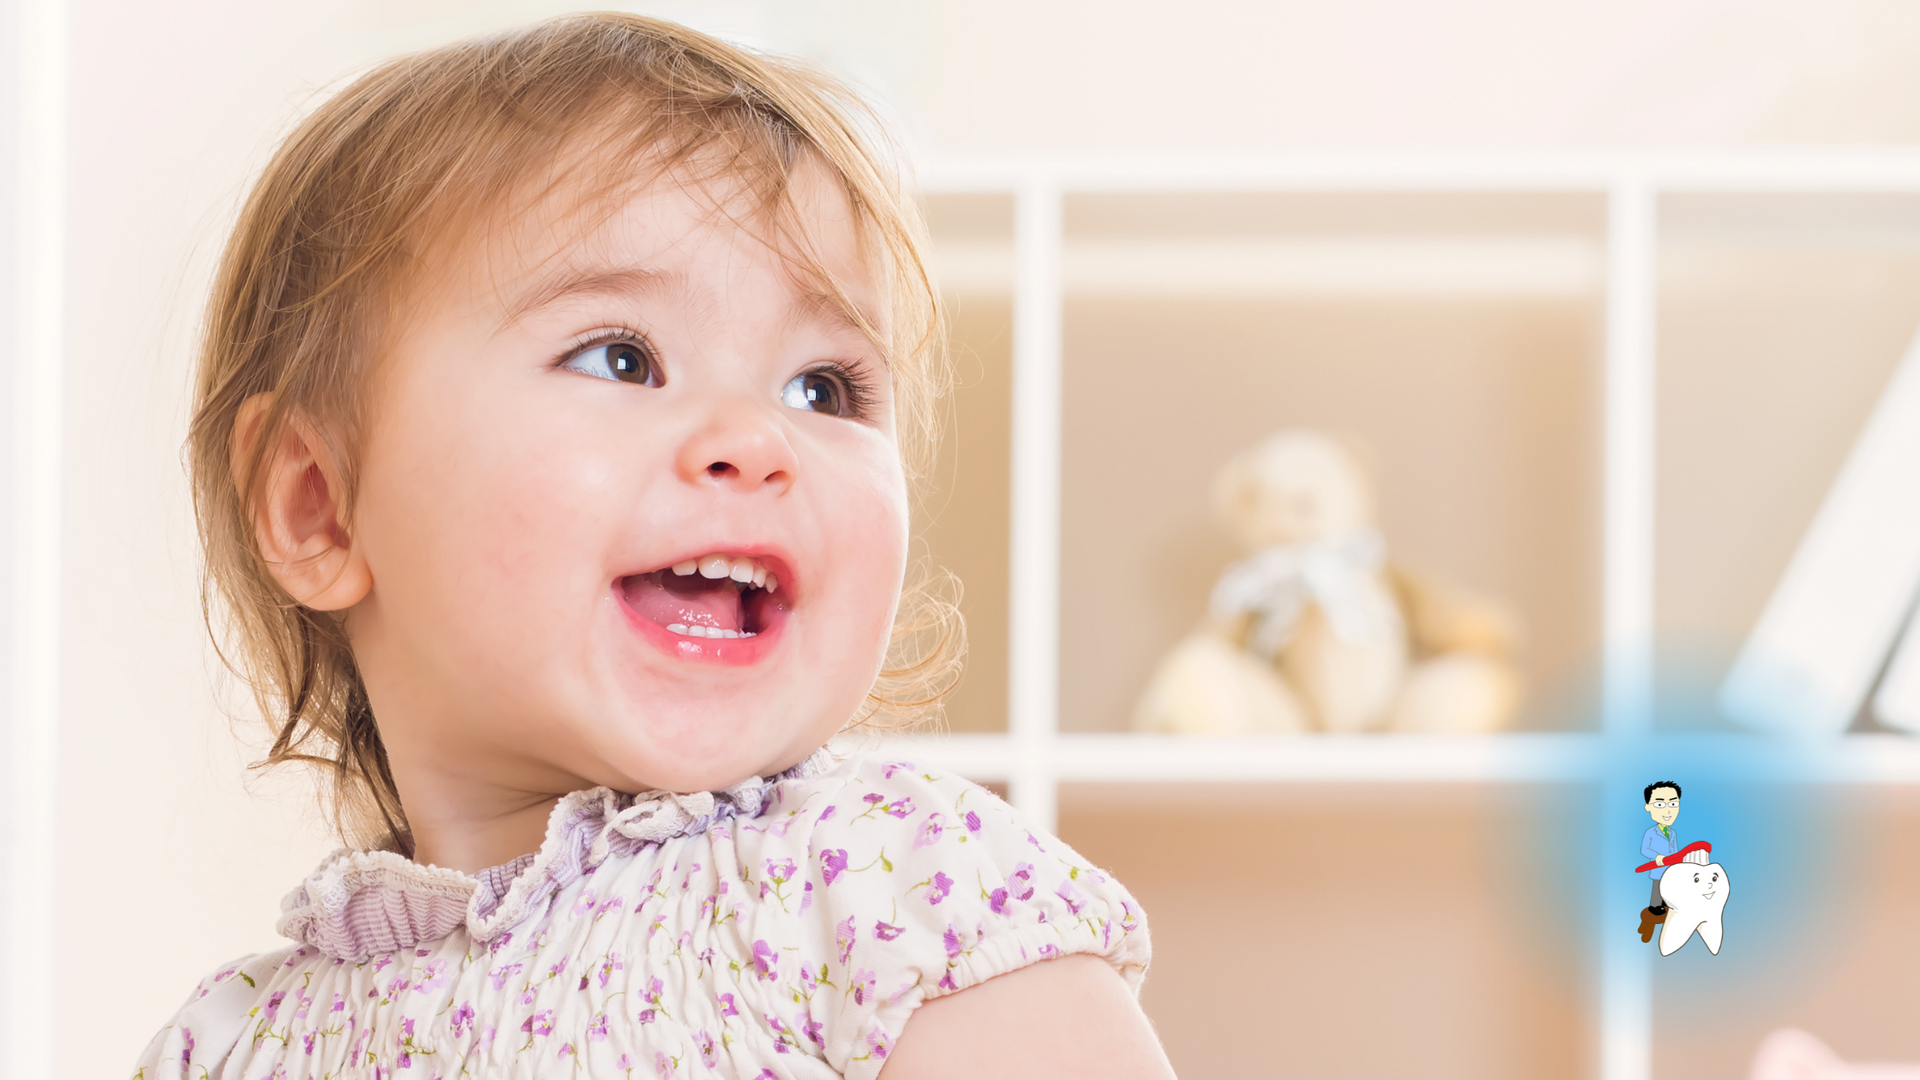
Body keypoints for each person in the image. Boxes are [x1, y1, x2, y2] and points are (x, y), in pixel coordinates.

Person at [132, 15, 1169, 1078]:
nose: (757, 441)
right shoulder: (234, 1047)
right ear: (321, 507)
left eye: (824, 387)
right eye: (622, 360)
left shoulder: (893, 895)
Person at [1638, 781, 1684, 940]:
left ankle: (1667, 904)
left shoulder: (1673, 833)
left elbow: (1676, 850)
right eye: (1659, 804)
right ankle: (1655, 907)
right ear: (1648, 807)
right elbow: (1644, 849)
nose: (1667, 810)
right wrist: (1656, 857)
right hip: (1658, 870)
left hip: (1671, 869)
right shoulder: (1650, 832)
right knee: (1657, 890)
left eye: (1673, 803)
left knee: (1669, 889)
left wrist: (1678, 862)